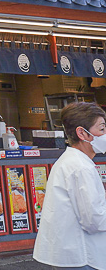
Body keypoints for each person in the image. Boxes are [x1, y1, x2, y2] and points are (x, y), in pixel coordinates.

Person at [33, 102, 106, 269]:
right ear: (82, 133)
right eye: (101, 129)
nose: (105, 134)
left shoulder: (72, 161)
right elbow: (94, 220)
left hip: (70, 253)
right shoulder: (80, 167)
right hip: (81, 256)